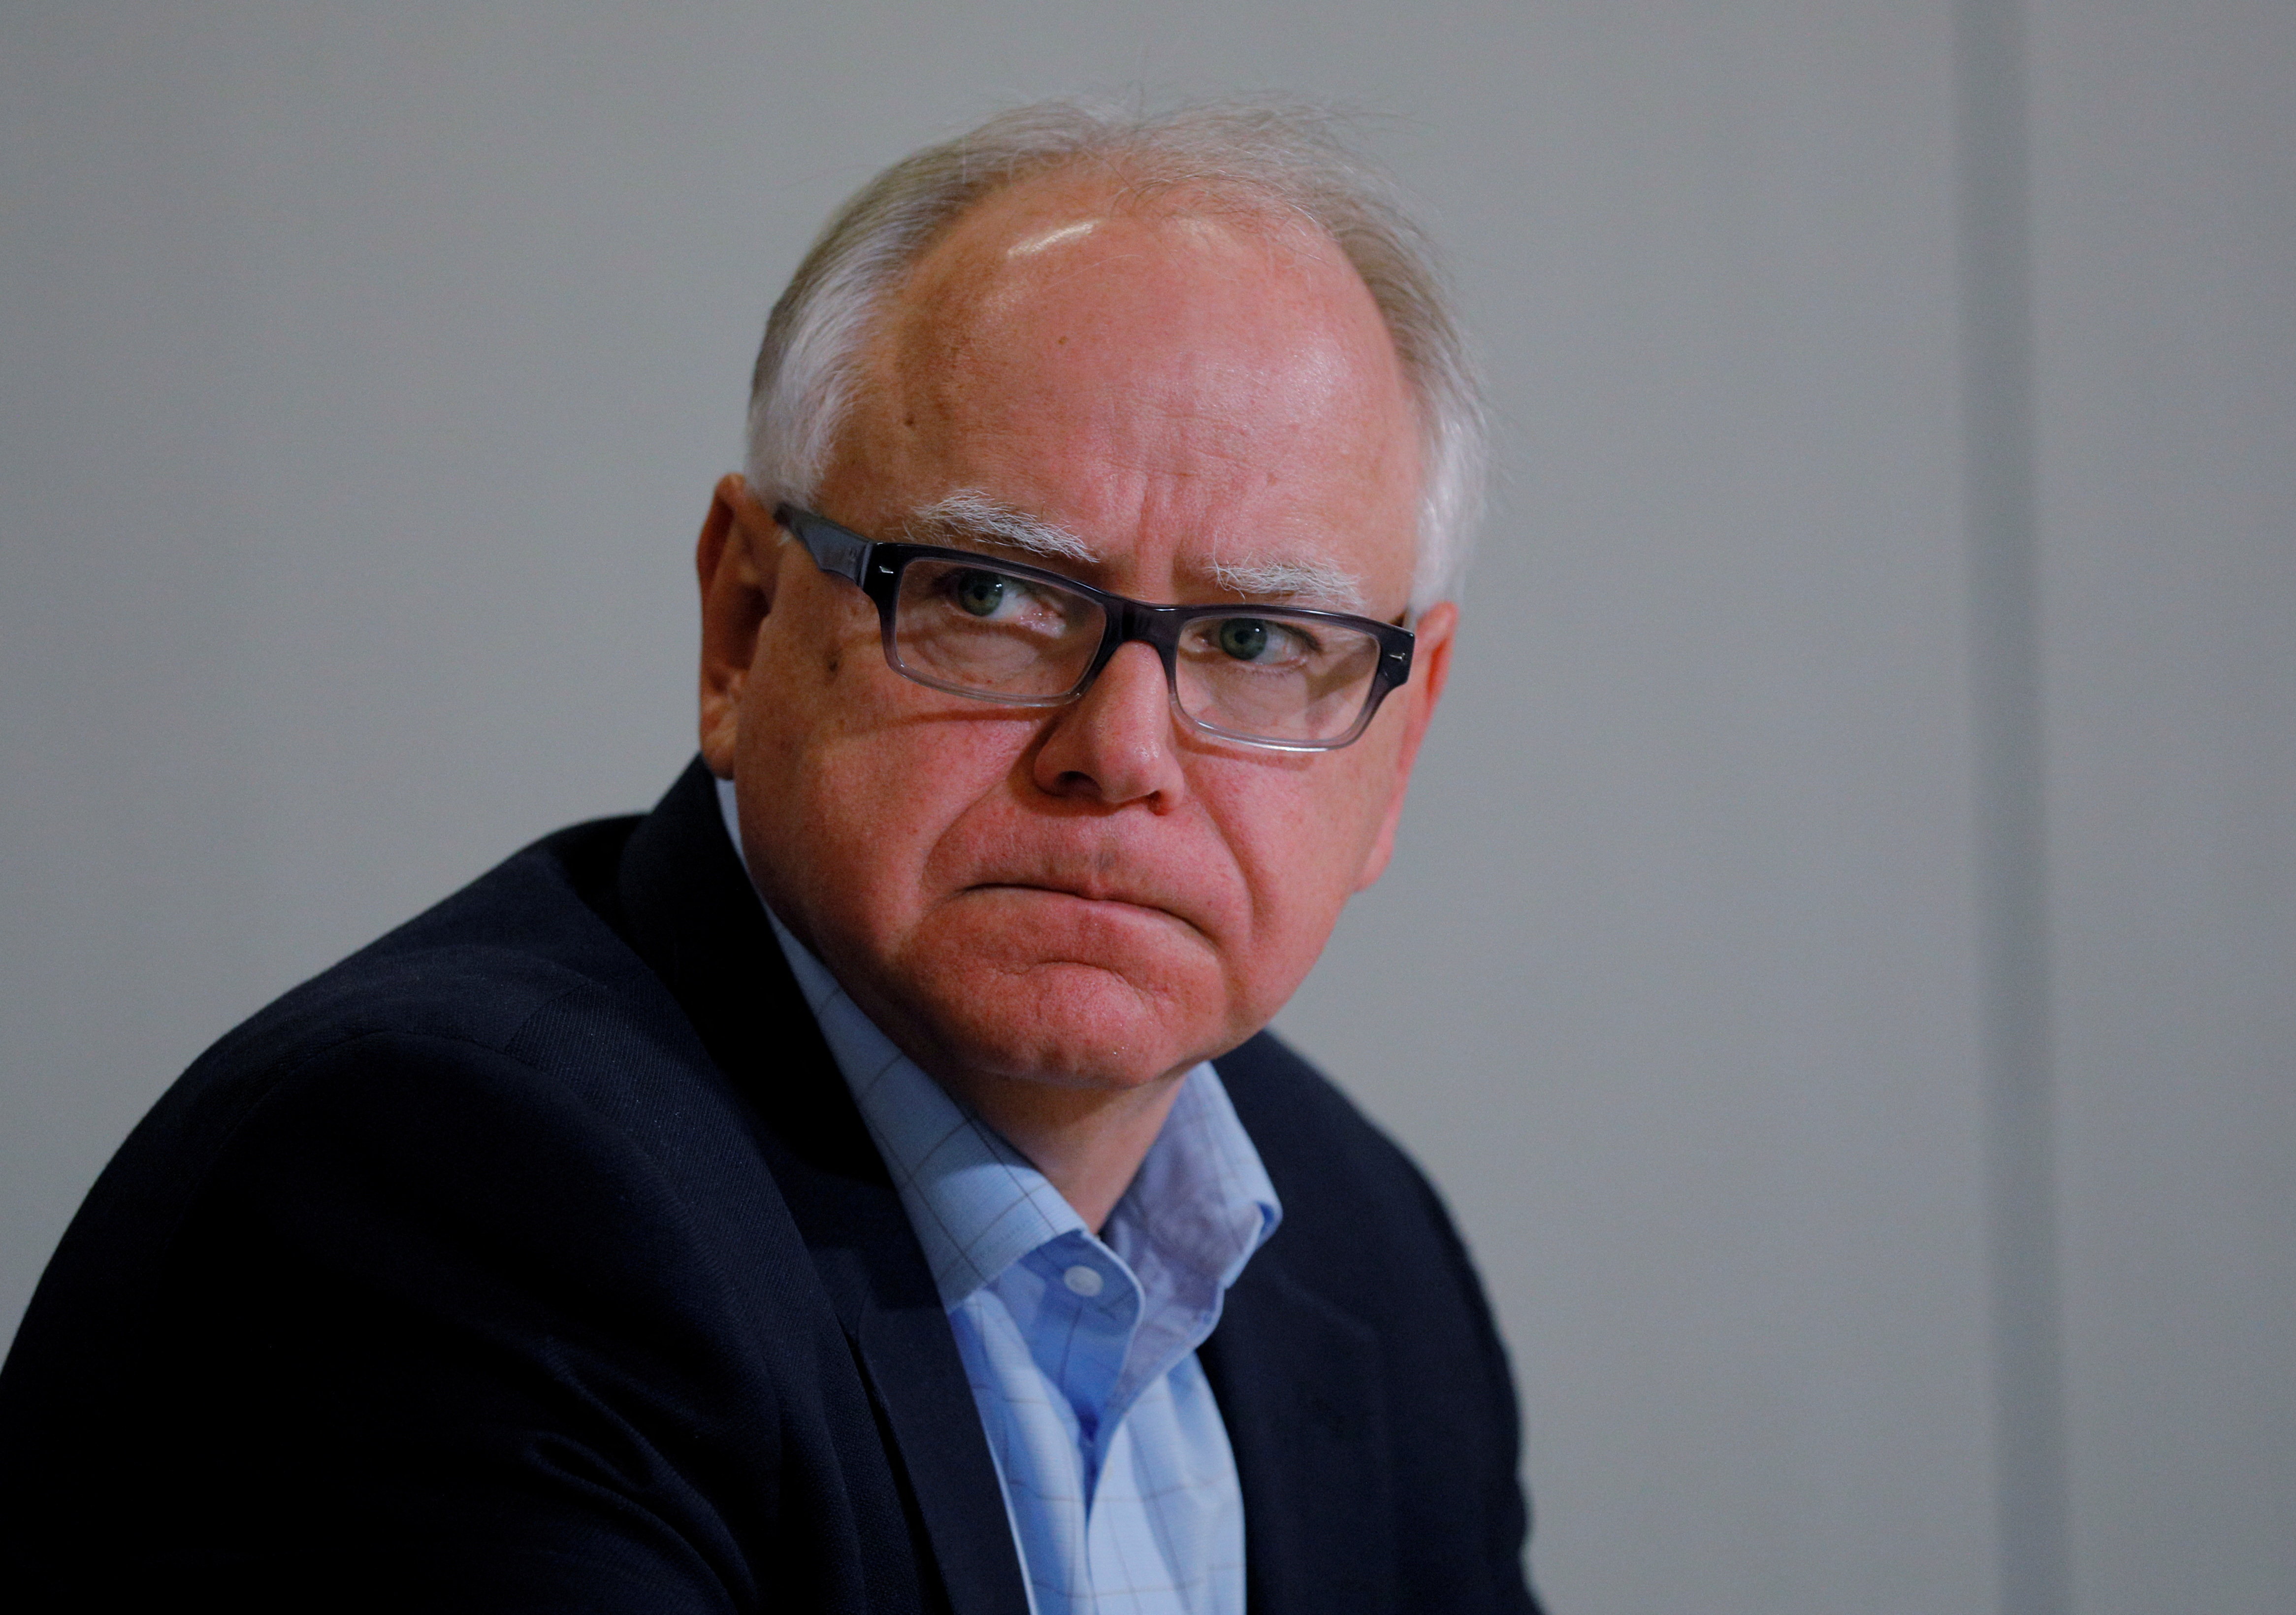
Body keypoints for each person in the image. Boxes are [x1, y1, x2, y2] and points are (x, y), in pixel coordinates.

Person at [0, 101, 1538, 1614]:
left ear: (1399, 743)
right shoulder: (453, 1192)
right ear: (742, 625)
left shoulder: (1365, 1252)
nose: (1124, 751)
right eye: (992, 597)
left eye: (1263, 639)